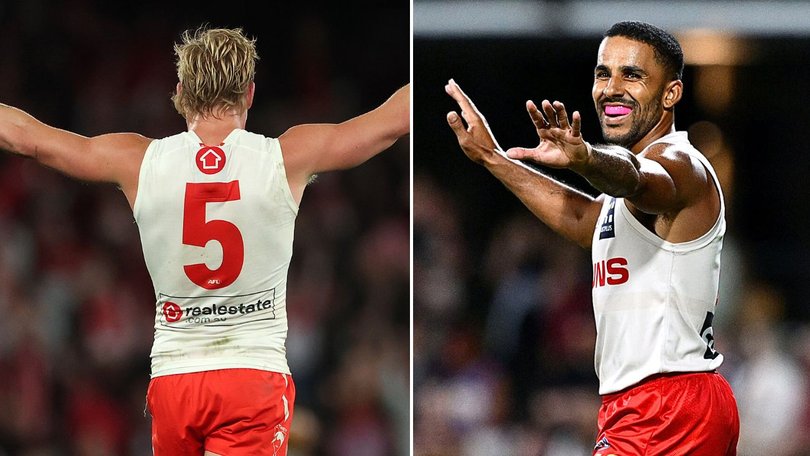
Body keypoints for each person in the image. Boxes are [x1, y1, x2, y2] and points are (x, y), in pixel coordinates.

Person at [0, 26, 409, 455]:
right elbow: (388, 123)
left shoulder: (139, 162)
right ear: (249, 94)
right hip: (252, 374)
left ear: (180, 93)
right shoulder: (285, 157)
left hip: (175, 378)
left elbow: (29, 138)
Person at [445, 21, 739, 455]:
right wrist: (493, 158)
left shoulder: (680, 164)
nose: (612, 88)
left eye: (632, 75)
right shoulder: (623, 197)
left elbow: (636, 178)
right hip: (658, 403)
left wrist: (584, 158)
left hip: (665, 406)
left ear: (671, 93)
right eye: (604, 73)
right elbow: (587, 219)